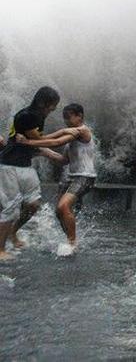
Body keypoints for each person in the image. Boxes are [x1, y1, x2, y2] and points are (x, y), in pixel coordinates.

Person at [18, 103, 95, 253]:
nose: (66, 120)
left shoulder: (83, 131)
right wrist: (42, 150)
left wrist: (29, 141)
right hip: (72, 177)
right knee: (58, 212)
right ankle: (71, 240)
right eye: (64, 118)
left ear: (80, 116)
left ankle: (73, 244)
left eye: (69, 117)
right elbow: (63, 160)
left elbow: (57, 141)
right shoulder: (71, 138)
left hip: (85, 177)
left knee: (63, 207)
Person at [0, 86, 61, 260]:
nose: (53, 110)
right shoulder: (28, 116)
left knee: (33, 204)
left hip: (25, 165)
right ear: (42, 102)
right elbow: (38, 140)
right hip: (9, 166)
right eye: (52, 106)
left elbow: (30, 144)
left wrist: (45, 153)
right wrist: (65, 136)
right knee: (10, 208)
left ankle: (12, 232)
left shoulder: (38, 116)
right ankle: (0, 249)